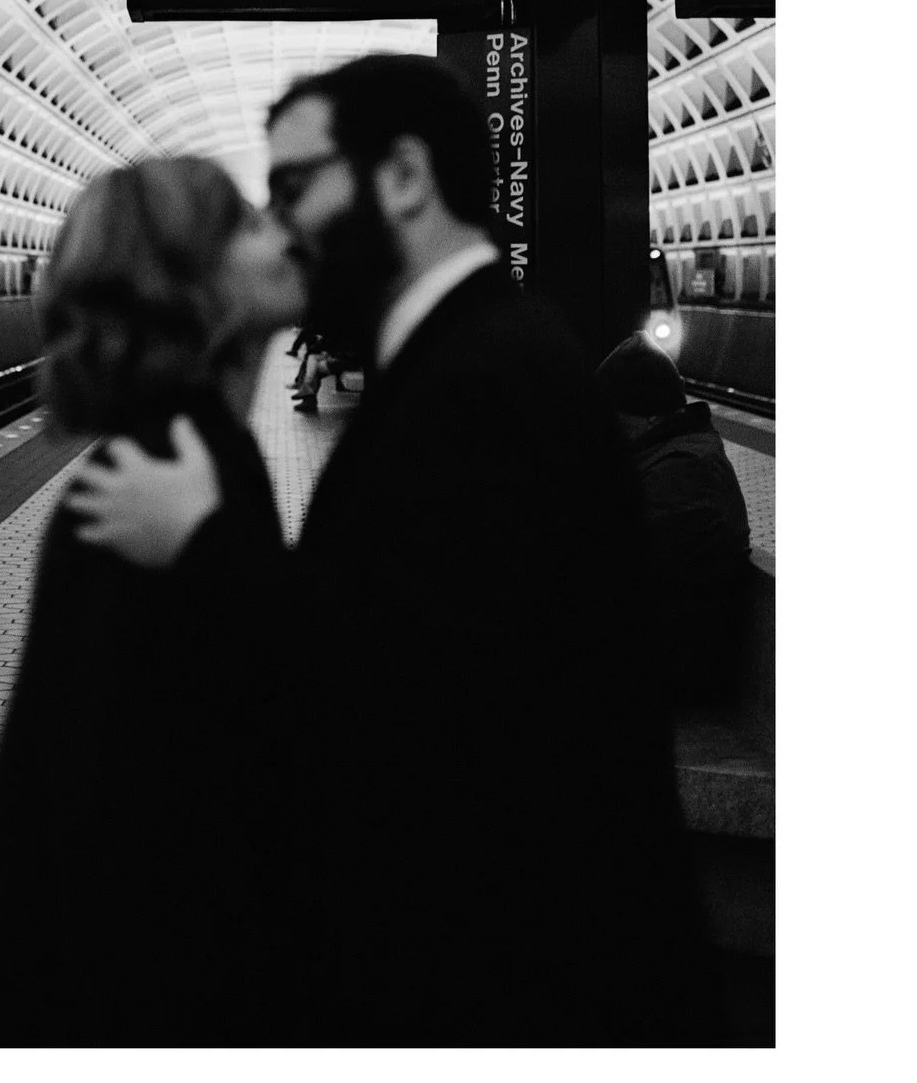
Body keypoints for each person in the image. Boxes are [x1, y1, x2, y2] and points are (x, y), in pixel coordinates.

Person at [70, 55, 727, 1046]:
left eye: (295, 186)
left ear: (404, 177)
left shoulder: (483, 379)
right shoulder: (474, 355)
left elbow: (425, 687)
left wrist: (206, 544)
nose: (283, 220)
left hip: (526, 986)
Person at [0, 156, 306, 1048]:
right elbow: (109, 814)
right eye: (250, 224)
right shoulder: (145, 481)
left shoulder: (194, 460)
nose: (284, 235)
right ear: (186, 280)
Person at [595, 333, 753, 705]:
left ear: (648, 418)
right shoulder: (671, 456)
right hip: (659, 655)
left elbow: (613, 569)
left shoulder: (684, 472)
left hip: (672, 670)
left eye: (613, 421)